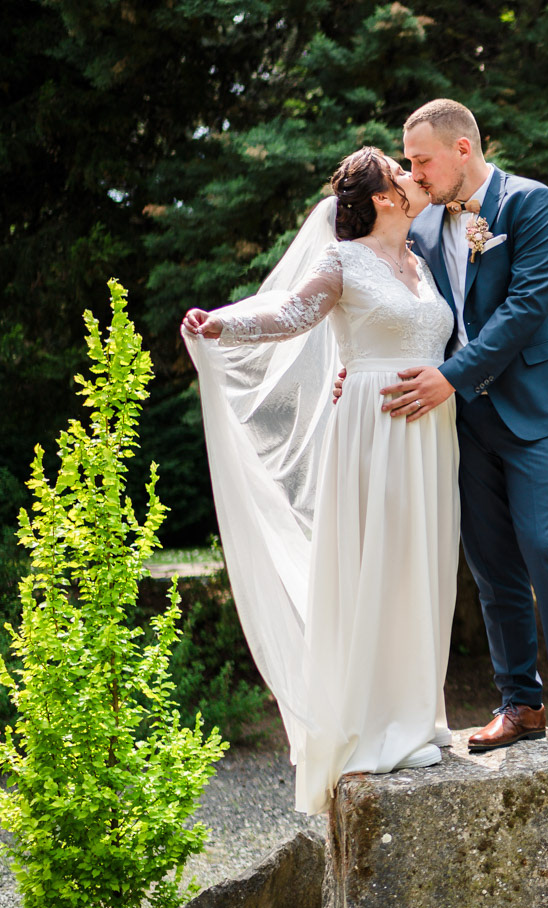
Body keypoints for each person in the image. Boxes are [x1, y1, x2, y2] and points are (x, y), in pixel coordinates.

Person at [181, 147, 459, 815]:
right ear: (384, 197)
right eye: (401, 171)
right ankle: (374, 725)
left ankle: (417, 716)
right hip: (374, 427)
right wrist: (220, 322)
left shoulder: (420, 262)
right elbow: (289, 313)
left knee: (424, 565)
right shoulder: (343, 260)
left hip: (430, 430)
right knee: (378, 565)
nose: (413, 175)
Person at [334, 99, 548, 762]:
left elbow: (526, 307)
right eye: (407, 163)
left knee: (547, 547)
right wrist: (360, 369)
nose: (414, 173)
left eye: (421, 160)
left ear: (463, 149)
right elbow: (404, 308)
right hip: (463, 421)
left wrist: (450, 376)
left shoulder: (532, 204)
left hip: (537, 410)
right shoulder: (426, 225)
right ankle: (519, 704)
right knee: (491, 565)